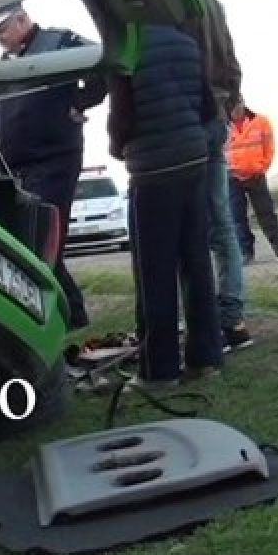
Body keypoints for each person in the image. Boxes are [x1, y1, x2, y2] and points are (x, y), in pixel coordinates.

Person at [0, 0, 108, 331]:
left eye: (2, 29)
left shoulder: (59, 43)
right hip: (13, 168)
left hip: (53, 160)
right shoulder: (2, 64)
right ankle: (69, 315)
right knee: (25, 244)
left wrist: (79, 103)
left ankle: (68, 318)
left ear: (22, 20)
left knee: (42, 241)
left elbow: (102, 66)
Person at [107, 21, 224, 388]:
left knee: (154, 273)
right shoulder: (187, 42)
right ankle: (206, 358)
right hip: (193, 162)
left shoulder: (125, 46)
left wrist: (116, 147)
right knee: (197, 263)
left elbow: (122, 118)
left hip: (153, 170)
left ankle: (160, 370)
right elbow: (208, 107)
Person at [182, 0, 254, 352]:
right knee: (221, 223)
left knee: (187, 225)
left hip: (187, 116)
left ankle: (205, 324)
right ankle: (232, 321)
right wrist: (228, 100)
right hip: (215, 116)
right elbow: (230, 61)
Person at [227, 98, 278, 263]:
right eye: (231, 106)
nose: (235, 110)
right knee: (237, 216)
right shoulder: (222, 126)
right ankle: (246, 251)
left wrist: (262, 166)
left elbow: (269, 147)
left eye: (237, 105)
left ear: (242, 103)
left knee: (266, 212)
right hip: (232, 177)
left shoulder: (261, 121)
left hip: (256, 175)